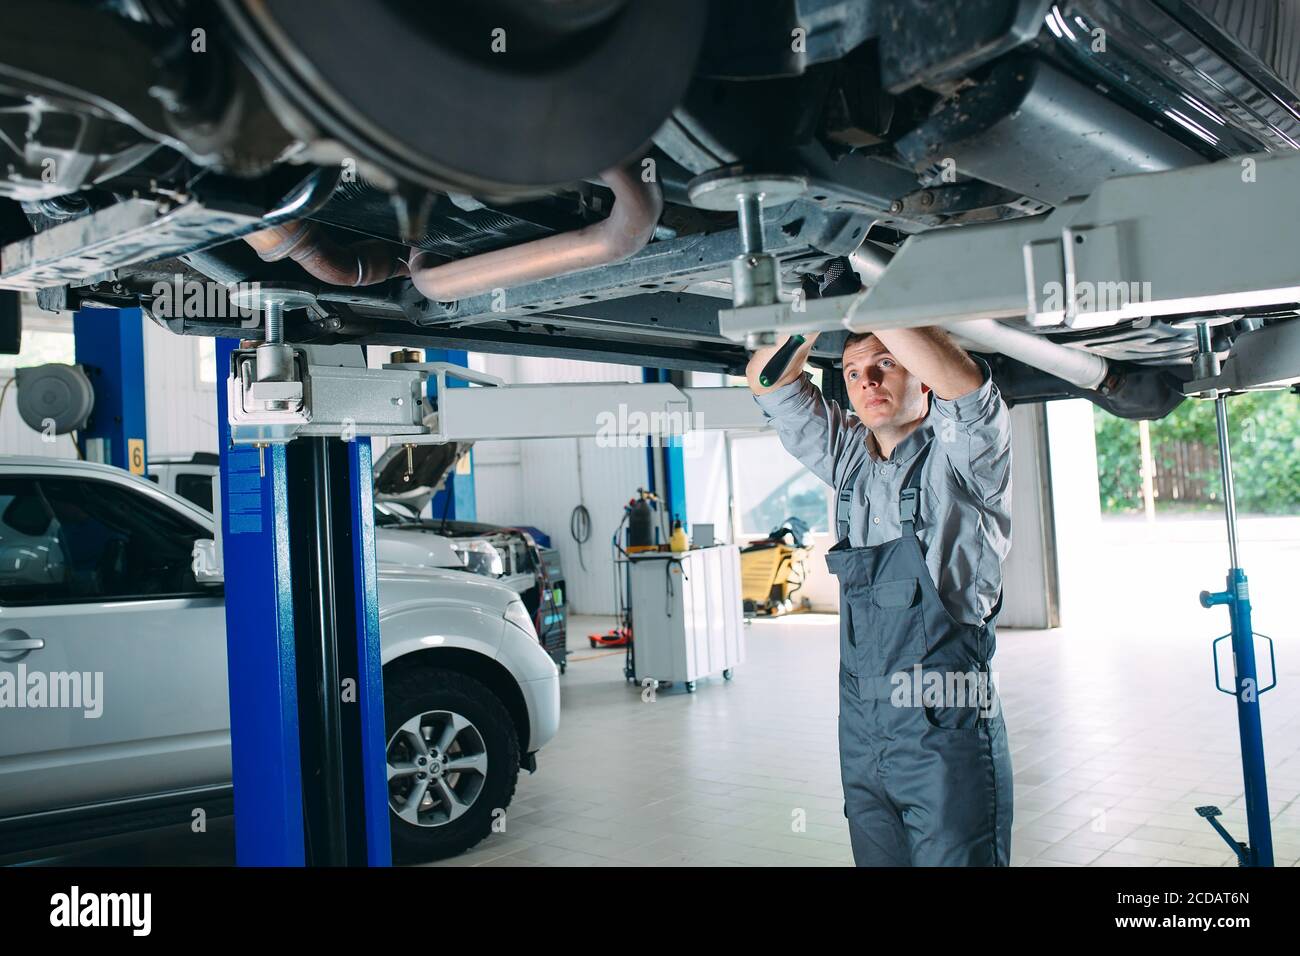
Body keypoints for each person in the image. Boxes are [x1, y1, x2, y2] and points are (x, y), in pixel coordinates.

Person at [747, 327, 1013, 866]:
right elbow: (767, 382)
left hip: (944, 735)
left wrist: (869, 286)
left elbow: (966, 391)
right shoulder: (850, 461)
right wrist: (812, 312)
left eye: (885, 365)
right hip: (863, 734)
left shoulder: (964, 456)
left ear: (923, 376)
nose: (866, 382)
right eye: (851, 373)